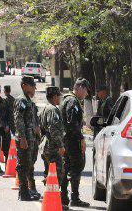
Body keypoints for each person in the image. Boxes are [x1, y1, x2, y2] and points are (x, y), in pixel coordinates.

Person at [61, 78, 91, 208]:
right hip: (72, 140)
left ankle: (65, 196)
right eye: (85, 91)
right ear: (80, 88)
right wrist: (81, 139)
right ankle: (74, 197)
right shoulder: (72, 101)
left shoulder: (69, 99)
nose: (86, 94)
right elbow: (72, 123)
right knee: (76, 167)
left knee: (67, 167)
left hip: (68, 139)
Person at [13, 76, 41, 201]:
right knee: (23, 165)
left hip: (31, 139)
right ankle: (23, 193)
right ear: (24, 86)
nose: (34, 88)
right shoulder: (22, 100)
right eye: (32, 85)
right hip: (25, 139)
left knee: (29, 164)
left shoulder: (28, 101)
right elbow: (18, 120)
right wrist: (23, 137)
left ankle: (30, 190)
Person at [40, 85, 66, 197]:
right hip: (53, 147)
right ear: (54, 96)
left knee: (50, 172)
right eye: (59, 96)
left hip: (46, 145)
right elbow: (54, 129)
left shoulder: (46, 108)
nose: (60, 98)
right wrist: (60, 145)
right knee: (58, 173)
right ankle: (54, 198)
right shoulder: (53, 109)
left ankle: (49, 195)